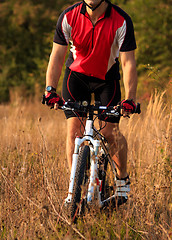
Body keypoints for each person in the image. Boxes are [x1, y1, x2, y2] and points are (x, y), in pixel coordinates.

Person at [42, 0, 138, 200]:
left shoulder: (121, 20)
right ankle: (74, 187)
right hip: (76, 77)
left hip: (106, 79)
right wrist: (50, 90)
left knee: (110, 132)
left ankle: (121, 180)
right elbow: (57, 56)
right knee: (74, 130)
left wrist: (130, 99)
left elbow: (128, 63)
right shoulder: (68, 17)